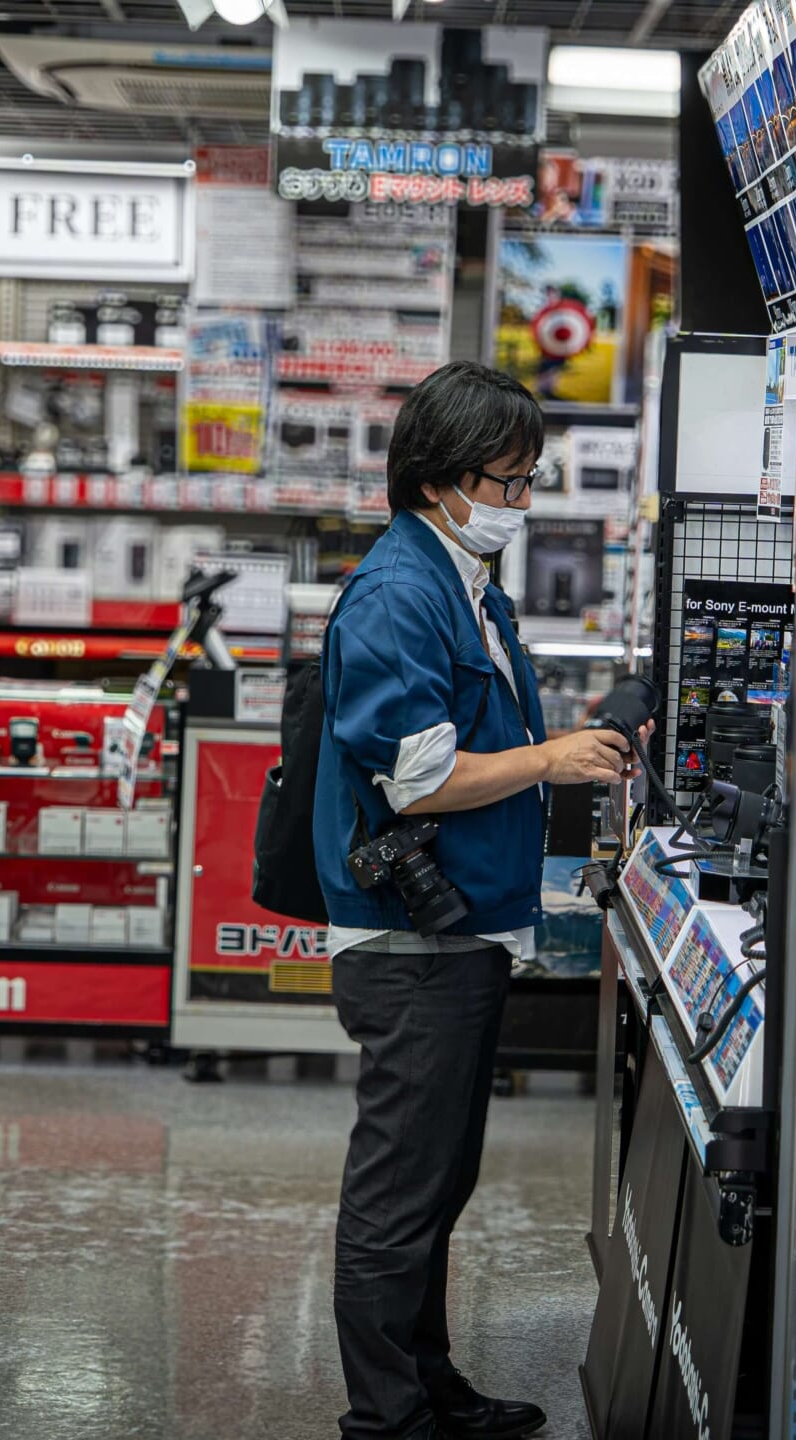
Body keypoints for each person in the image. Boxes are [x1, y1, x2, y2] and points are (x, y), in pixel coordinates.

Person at [314, 362, 633, 1440]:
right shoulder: (402, 591)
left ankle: (427, 1384)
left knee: (437, 1184)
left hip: (459, 927)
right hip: (411, 942)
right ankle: (384, 1417)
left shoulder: (459, 580)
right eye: (511, 480)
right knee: (401, 1193)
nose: (522, 501)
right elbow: (419, 777)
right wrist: (549, 759)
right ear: (447, 479)